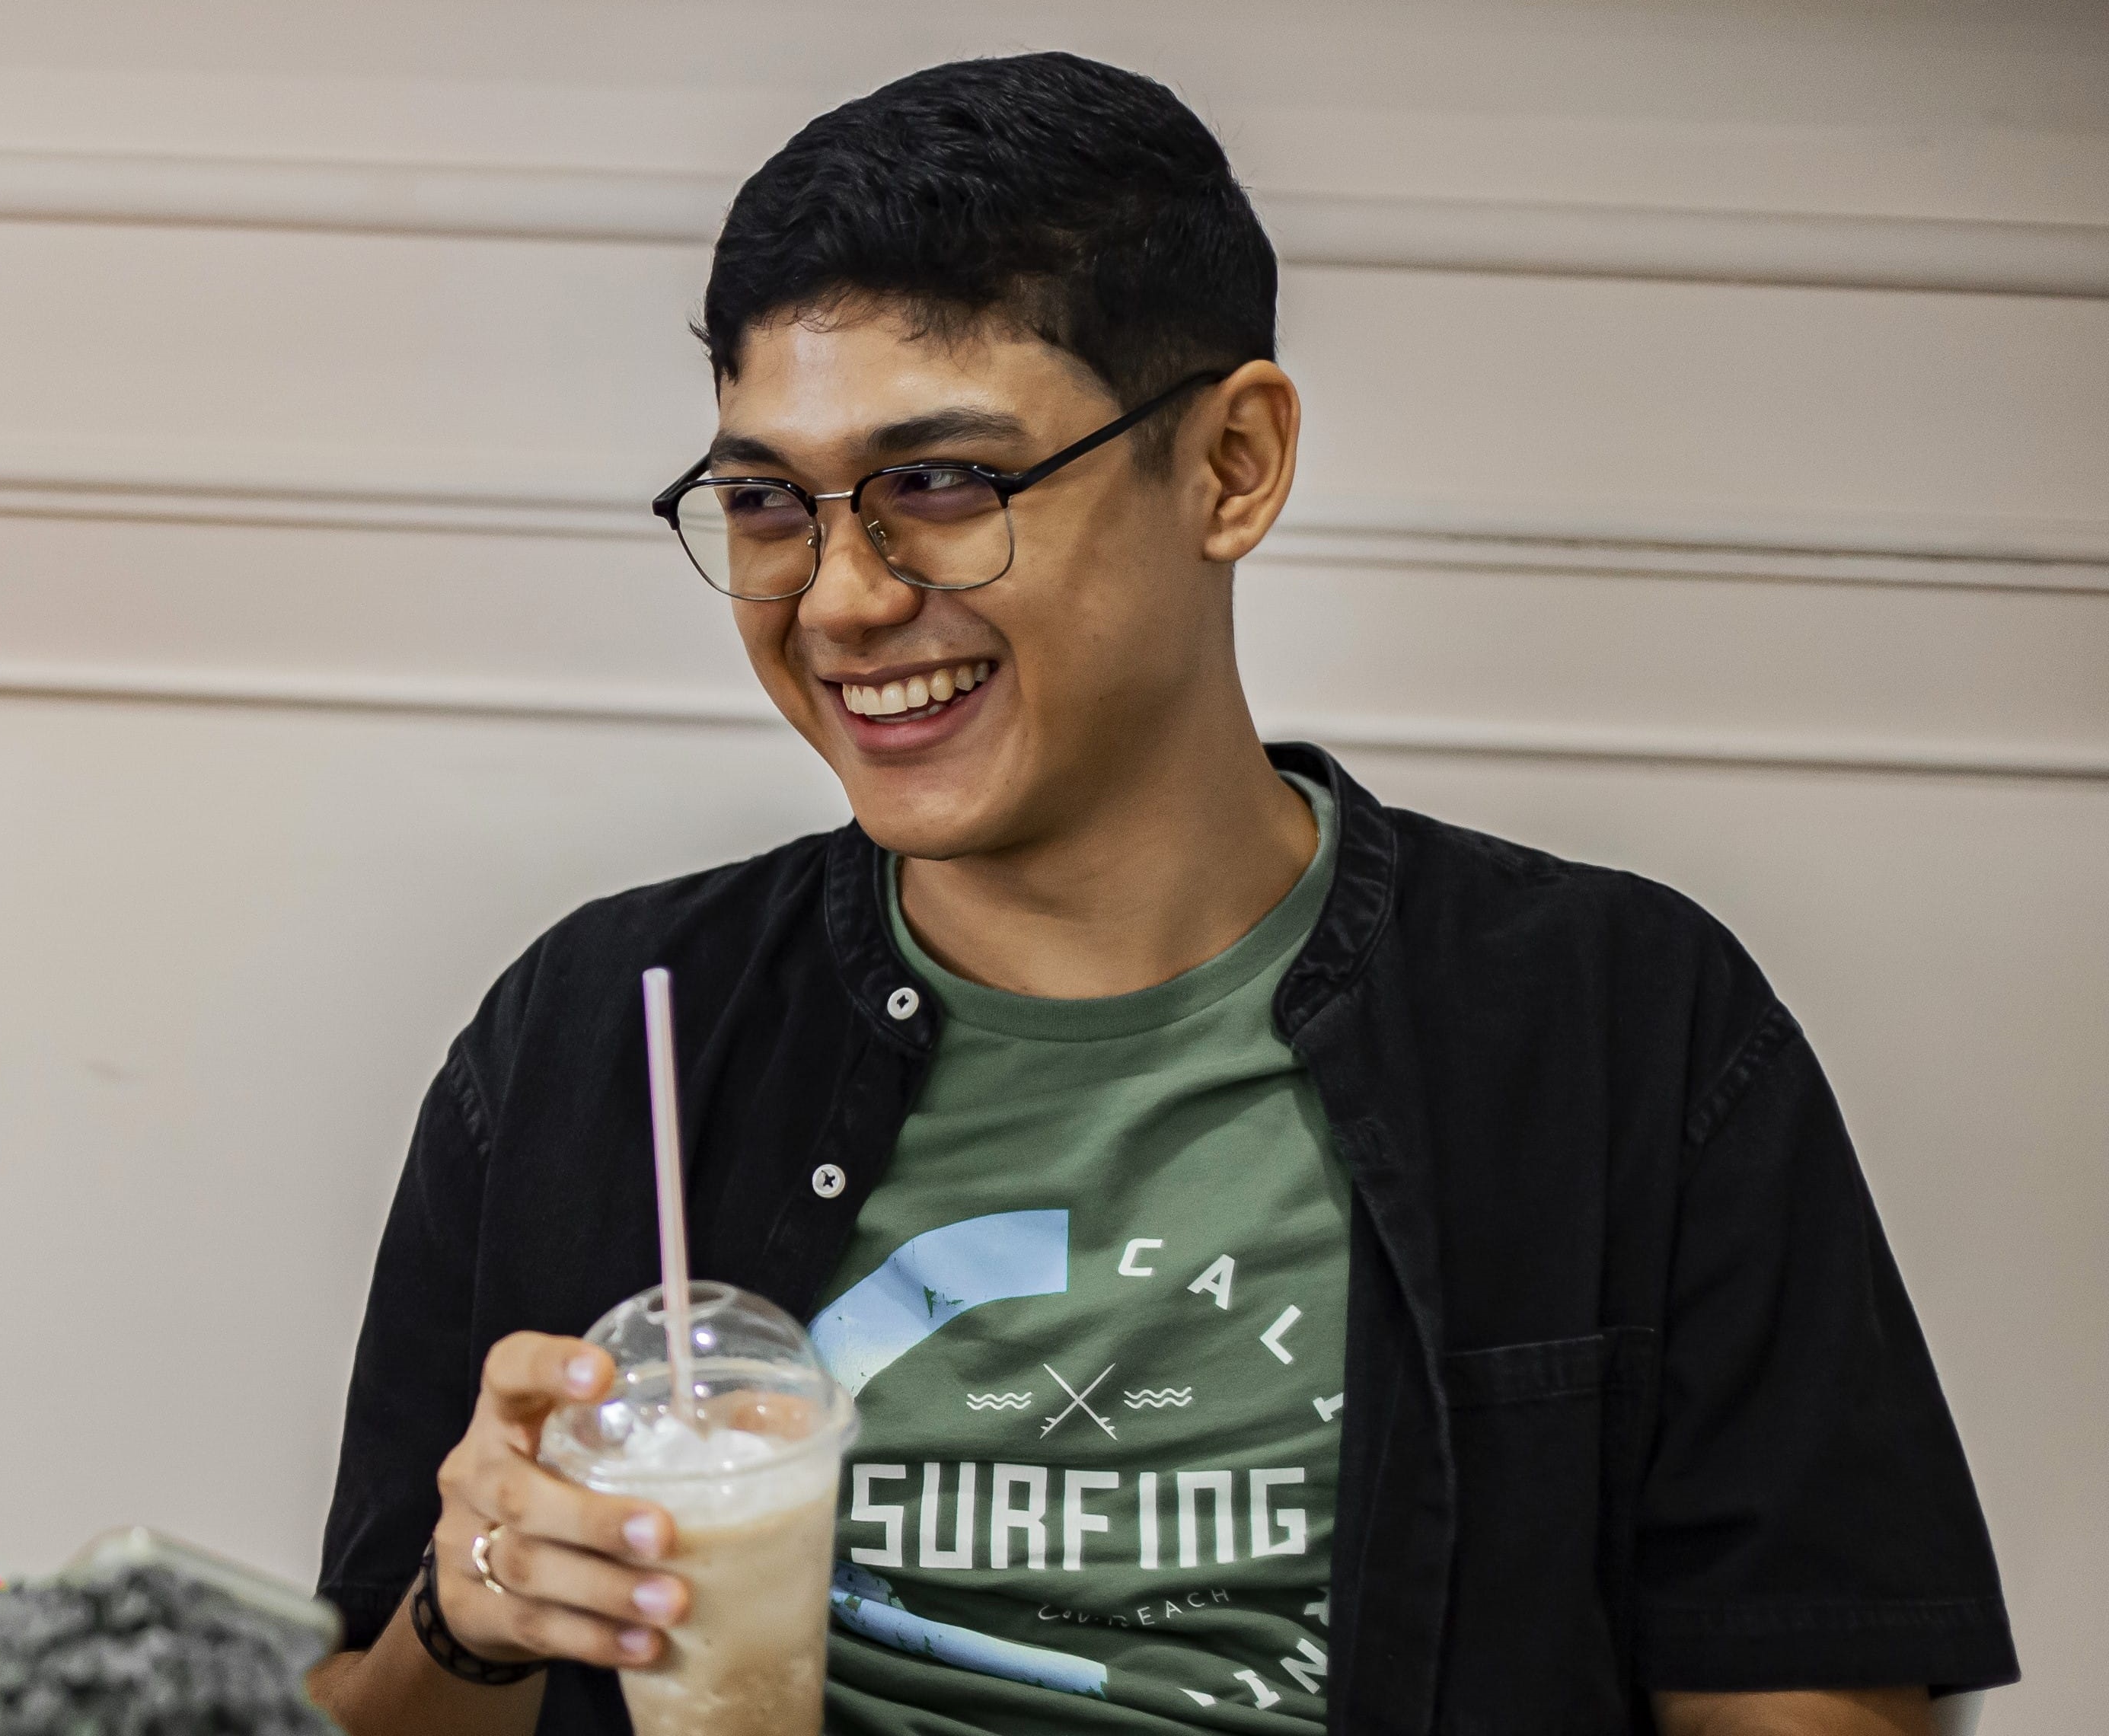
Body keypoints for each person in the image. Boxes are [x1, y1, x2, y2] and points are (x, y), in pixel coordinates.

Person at [302, 53, 2014, 1736]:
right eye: (766, 503)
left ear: (1231, 465)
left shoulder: (1623, 1026)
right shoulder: (594, 1033)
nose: (837, 601)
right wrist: (470, 1620)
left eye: (943, 484)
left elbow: (1811, 1695)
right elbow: (349, 1706)